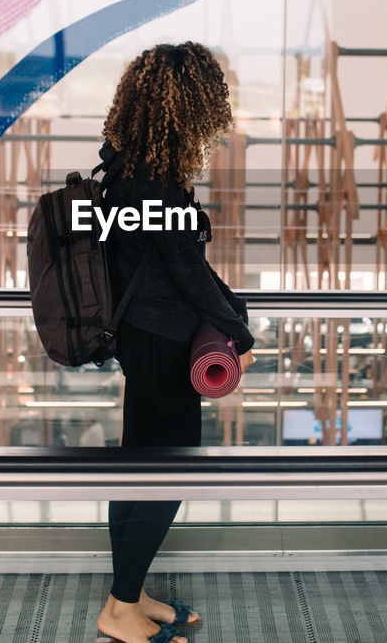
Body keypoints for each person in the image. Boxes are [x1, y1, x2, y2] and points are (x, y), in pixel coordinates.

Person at [94, 42, 256, 643]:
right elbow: (186, 272)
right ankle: (118, 609)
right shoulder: (153, 185)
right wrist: (238, 332)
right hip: (162, 341)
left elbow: (182, 260)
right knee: (169, 469)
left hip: (143, 336)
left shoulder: (125, 167)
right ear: (186, 106)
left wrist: (233, 313)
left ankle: (130, 597)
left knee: (140, 461)